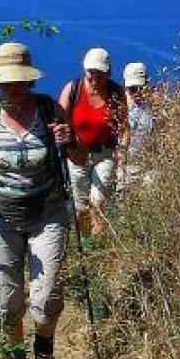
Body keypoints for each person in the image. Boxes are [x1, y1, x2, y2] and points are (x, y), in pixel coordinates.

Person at [0, 42, 86, 359]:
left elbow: (78, 159)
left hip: (47, 212)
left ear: (29, 81)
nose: (11, 89)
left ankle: (43, 348)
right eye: (5, 83)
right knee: (5, 305)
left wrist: (70, 138)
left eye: (17, 82)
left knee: (45, 301)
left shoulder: (50, 111)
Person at [59, 48, 129, 236]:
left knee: (98, 204)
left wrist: (121, 156)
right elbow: (59, 121)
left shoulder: (116, 93)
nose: (94, 78)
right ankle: (84, 243)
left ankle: (98, 247)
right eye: (91, 73)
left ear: (108, 73)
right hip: (76, 157)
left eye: (100, 74)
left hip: (105, 155)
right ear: (85, 71)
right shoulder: (73, 90)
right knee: (80, 207)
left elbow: (124, 128)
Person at [121, 62, 155, 188]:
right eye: (132, 88)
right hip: (125, 166)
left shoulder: (156, 104)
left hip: (149, 165)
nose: (137, 92)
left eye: (140, 87)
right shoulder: (118, 105)